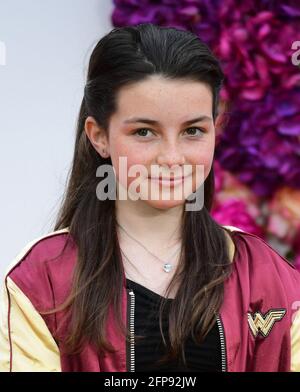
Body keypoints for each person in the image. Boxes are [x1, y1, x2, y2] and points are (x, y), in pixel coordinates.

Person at [0, 23, 300, 372]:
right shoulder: (42, 279)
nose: (172, 158)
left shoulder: (266, 275)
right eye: (145, 131)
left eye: (193, 131)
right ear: (99, 136)